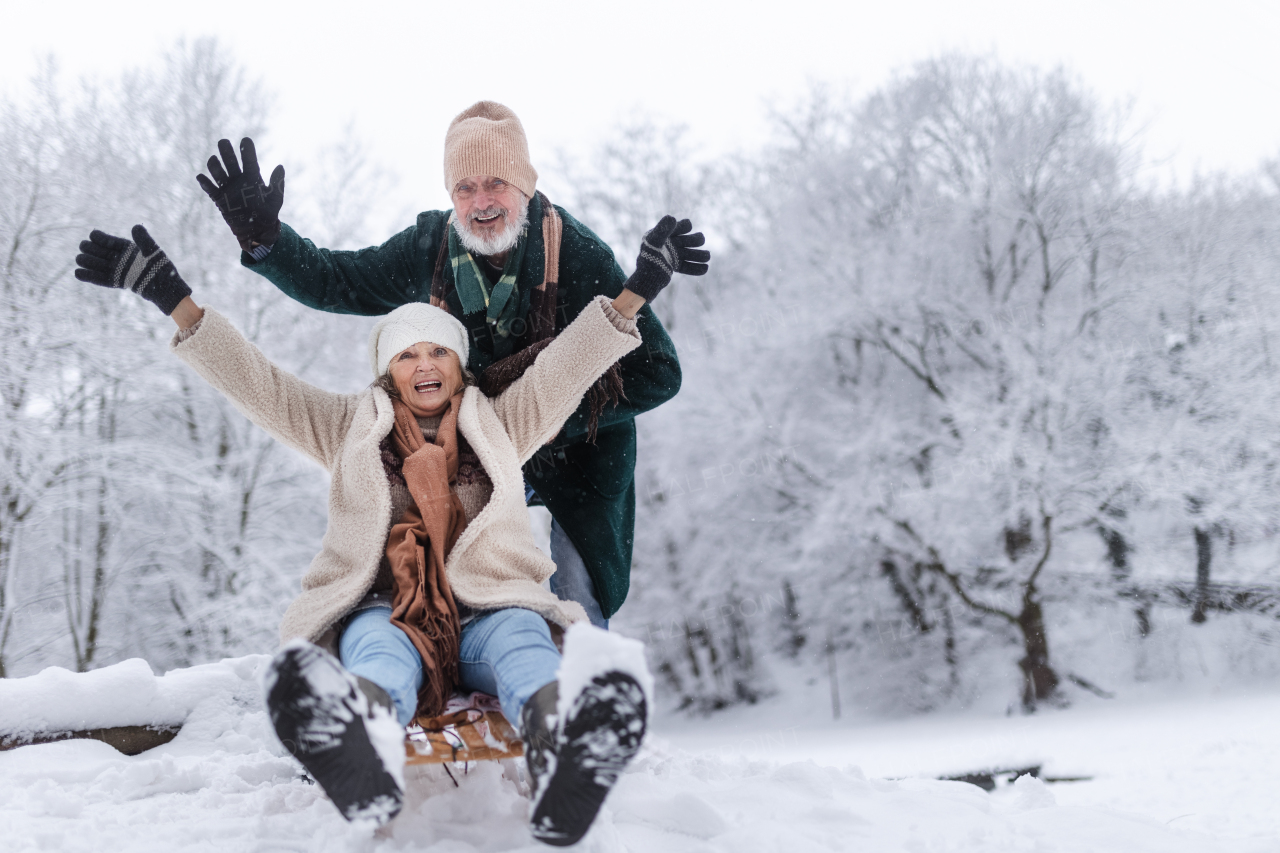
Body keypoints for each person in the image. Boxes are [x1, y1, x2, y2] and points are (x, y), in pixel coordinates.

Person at [71, 214, 701, 844]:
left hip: (490, 604)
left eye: (438, 352)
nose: (424, 365)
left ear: (459, 365)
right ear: (386, 369)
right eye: (407, 354)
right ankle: (357, 748)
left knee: (525, 644)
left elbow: (568, 367)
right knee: (375, 651)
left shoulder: (501, 421)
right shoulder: (347, 427)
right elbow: (259, 385)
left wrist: (637, 289)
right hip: (388, 605)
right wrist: (173, 301)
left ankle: (562, 744)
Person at [194, 101, 707, 629]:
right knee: (457, 587)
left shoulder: (573, 253)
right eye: (465, 188)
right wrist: (268, 242)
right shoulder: (430, 247)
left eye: (496, 184)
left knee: (577, 603)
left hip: (580, 458)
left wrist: (554, 419)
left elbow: (659, 372)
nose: (481, 202)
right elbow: (336, 281)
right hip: (469, 450)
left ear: (525, 186)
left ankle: (579, 702)